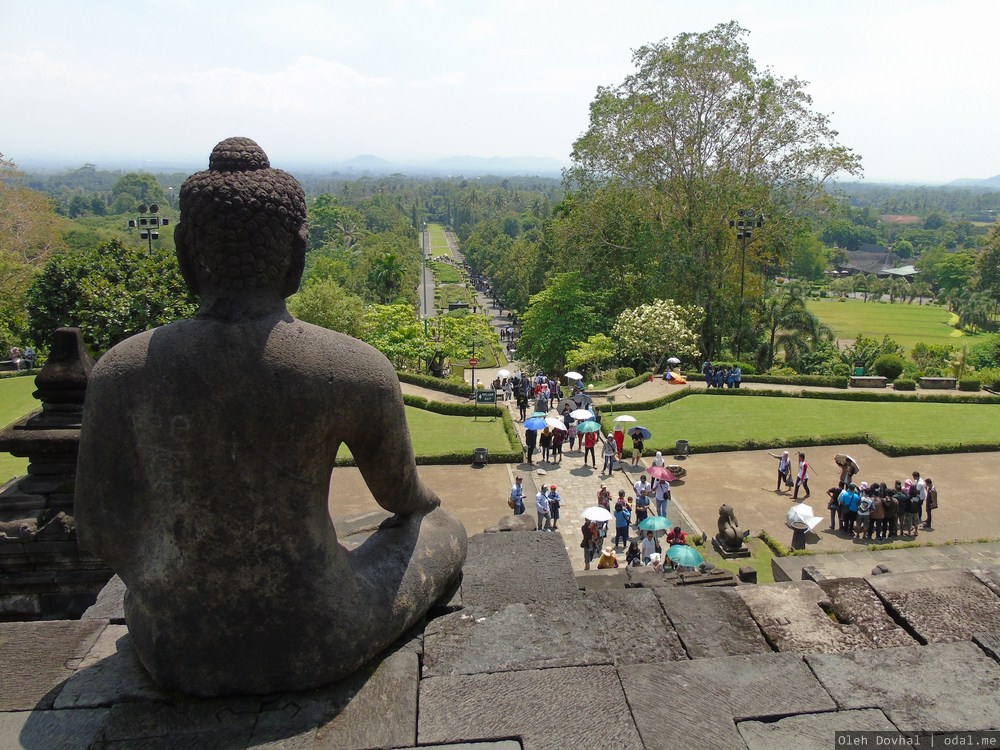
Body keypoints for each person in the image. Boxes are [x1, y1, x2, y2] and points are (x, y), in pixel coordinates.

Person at [73, 138, 467, 696]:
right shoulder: (350, 367)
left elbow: (99, 527)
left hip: (175, 643)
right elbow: (404, 498)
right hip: (318, 634)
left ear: (186, 251)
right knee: (442, 530)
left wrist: (171, 589)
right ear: (296, 252)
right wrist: (425, 506)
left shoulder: (122, 371)